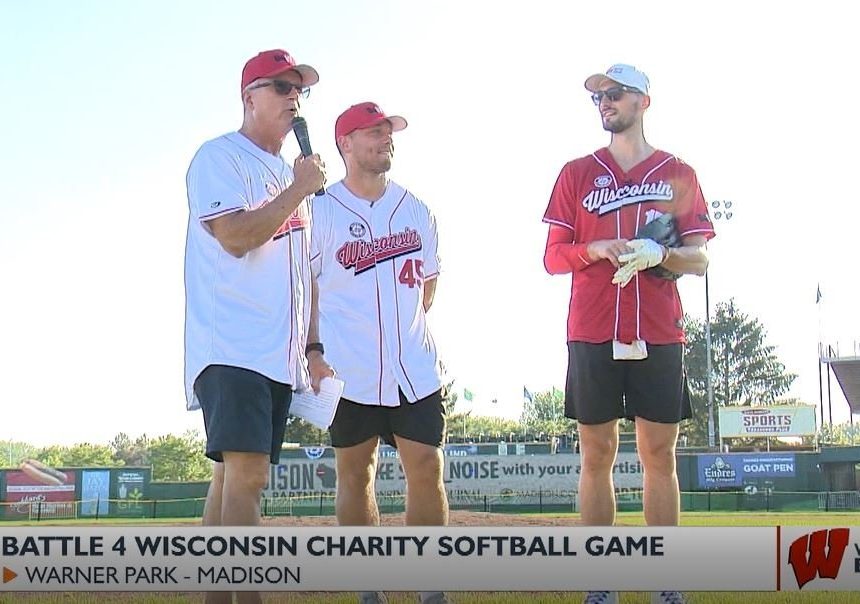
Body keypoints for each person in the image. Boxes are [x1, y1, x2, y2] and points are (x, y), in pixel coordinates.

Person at [542, 64, 714, 604]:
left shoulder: (677, 171)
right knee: (596, 452)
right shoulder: (576, 173)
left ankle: (667, 579)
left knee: (659, 454)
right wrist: (591, 249)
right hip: (593, 327)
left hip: (658, 329)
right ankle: (601, 581)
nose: (604, 102)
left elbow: (700, 257)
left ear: (643, 100)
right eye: (598, 96)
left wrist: (663, 253)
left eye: (614, 94)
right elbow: (551, 257)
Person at [184, 48, 333, 604]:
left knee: (230, 479)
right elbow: (236, 237)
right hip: (231, 341)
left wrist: (313, 348)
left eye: (300, 90)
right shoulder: (219, 157)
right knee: (249, 478)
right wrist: (298, 189)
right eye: (281, 87)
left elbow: (307, 273)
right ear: (249, 97)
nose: (294, 98)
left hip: (277, 350)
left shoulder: (292, 173)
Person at [310, 102, 450, 604]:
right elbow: (305, 291)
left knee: (427, 467)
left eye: (388, 132)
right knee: (354, 471)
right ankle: (370, 588)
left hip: (413, 364)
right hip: (350, 368)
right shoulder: (319, 211)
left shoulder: (416, 209)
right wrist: (313, 350)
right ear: (345, 144)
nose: (385, 139)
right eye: (374, 132)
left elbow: (428, 288)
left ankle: (430, 589)